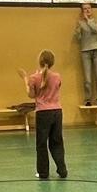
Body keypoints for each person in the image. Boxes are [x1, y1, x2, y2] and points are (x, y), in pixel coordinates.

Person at [19, 49, 67, 180]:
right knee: (57, 142)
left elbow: (31, 95)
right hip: (57, 111)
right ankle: (62, 170)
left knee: (41, 144)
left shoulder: (34, 78)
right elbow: (55, 88)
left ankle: (43, 173)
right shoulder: (57, 76)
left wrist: (25, 79)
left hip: (43, 113)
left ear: (39, 61)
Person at [73, 2, 97, 106]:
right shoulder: (80, 23)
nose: (87, 10)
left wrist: (88, 20)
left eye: (89, 8)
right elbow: (78, 38)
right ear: (82, 11)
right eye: (85, 9)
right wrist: (78, 30)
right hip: (85, 52)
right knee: (88, 79)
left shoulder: (95, 21)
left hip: (96, 51)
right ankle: (87, 100)